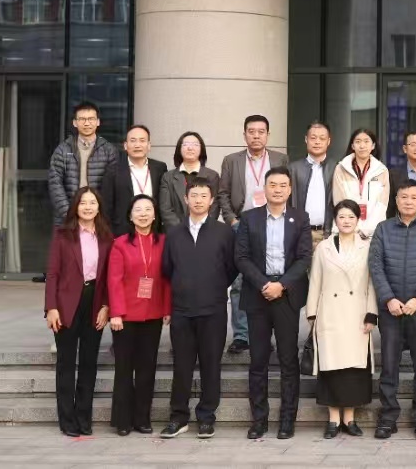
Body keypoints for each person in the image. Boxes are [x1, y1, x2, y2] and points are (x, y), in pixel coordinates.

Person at [236, 167, 312, 440]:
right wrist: (264, 284)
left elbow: (304, 257)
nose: (277, 189)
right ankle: (259, 419)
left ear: (290, 190)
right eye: (273, 184)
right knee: (258, 360)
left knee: (288, 359)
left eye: (283, 185)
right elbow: (241, 257)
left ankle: (287, 420)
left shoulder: (300, 218)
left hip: (287, 295)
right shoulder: (249, 218)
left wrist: (282, 285)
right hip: (258, 293)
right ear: (264, 188)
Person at [160, 176, 239, 439]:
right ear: (186, 199)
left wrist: (213, 287)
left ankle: (206, 417)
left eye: (204, 196)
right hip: (182, 310)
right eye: (193, 196)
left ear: (211, 200)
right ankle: (178, 417)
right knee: (181, 366)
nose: (198, 200)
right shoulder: (174, 233)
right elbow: (167, 268)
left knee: (210, 365)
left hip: (213, 309)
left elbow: (231, 268)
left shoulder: (223, 232)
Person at [368, 180, 416, 440]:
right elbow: (375, 266)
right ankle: (388, 417)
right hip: (391, 310)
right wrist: (388, 298)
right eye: (404, 197)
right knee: (389, 367)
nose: (408, 201)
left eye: (414, 197)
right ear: (396, 200)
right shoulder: (383, 229)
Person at [45, 186, 113, 437]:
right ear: (75, 206)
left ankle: (84, 417)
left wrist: (106, 306)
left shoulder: (106, 237)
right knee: (66, 363)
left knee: (88, 363)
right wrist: (51, 307)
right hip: (66, 304)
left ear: (98, 207)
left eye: (92, 202)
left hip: (95, 303)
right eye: (83, 202)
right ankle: (67, 420)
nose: (87, 207)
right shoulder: (63, 235)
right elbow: (52, 273)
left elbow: (109, 277)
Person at [218, 115, 289, 355]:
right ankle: (241, 335)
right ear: (244, 134)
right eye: (251, 131)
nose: (256, 135)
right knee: (240, 282)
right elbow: (223, 194)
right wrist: (232, 220)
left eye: (261, 131)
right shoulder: (232, 160)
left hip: (272, 223)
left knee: (268, 278)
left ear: (268, 134)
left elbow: (286, 191)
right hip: (242, 225)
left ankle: (263, 334)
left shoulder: (280, 159)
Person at [307, 200, 378, 439]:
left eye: (351, 217)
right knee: (331, 367)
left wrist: (371, 313)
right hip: (329, 312)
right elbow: (315, 281)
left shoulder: (367, 247)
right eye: (341, 217)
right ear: (335, 220)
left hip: (357, 314)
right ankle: (333, 419)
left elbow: (371, 283)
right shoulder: (323, 248)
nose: (346, 221)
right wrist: (312, 313)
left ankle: (350, 418)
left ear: (358, 220)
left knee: (353, 370)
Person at [107, 194, 171, 436]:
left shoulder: (164, 242)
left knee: (147, 369)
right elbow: (114, 281)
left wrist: (167, 308)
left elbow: (168, 279)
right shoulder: (120, 243)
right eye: (138, 210)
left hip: (153, 314)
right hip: (125, 316)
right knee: (124, 369)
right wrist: (116, 312)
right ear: (130, 216)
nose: (143, 214)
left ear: (154, 215)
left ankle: (142, 418)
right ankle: (123, 420)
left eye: (147, 209)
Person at [291, 121, 336, 370]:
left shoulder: (337, 168)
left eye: (322, 138)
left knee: (324, 290)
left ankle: (315, 342)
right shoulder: (294, 168)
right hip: (300, 235)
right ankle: (296, 341)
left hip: (327, 234)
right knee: (299, 288)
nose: (317, 141)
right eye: (313, 137)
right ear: (306, 140)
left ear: (329, 141)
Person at [47, 101, 119, 228]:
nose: (87, 123)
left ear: (98, 122)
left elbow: (112, 188)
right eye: (82, 119)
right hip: (67, 220)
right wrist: (70, 215)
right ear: (75, 122)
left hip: (98, 220)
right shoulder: (63, 150)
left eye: (91, 119)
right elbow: (55, 184)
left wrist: (98, 215)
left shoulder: (109, 151)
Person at [100, 124, 168, 235]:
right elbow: (106, 206)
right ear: (125, 145)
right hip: (123, 232)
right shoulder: (113, 170)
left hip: (153, 231)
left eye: (142, 141)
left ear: (149, 145)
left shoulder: (160, 168)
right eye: (133, 141)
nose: (137, 145)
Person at [332, 128, 390, 239]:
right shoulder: (341, 168)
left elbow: (382, 204)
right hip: (346, 230)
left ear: (373, 146)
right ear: (352, 146)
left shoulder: (382, 170)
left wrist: (367, 229)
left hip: (374, 232)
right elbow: (339, 201)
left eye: (366, 141)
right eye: (358, 142)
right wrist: (355, 227)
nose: (362, 146)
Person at [158, 131, 221, 228]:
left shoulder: (212, 176)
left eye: (195, 144)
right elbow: (165, 209)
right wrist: (182, 230)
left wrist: (201, 228)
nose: (190, 148)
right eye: (185, 144)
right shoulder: (168, 177)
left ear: (201, 149)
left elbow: (214, 207)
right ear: (179, 149)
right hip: (176, 232)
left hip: (205, 231)